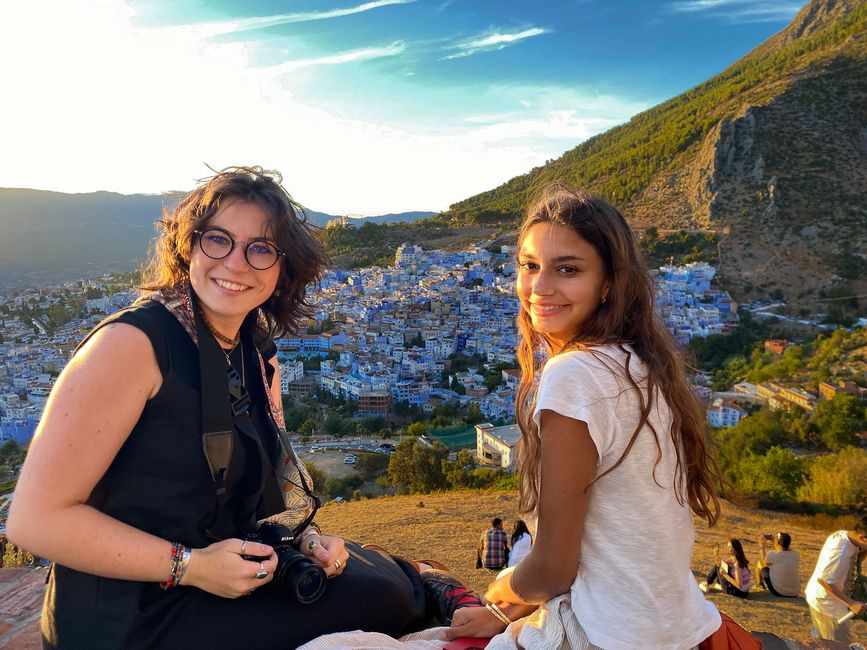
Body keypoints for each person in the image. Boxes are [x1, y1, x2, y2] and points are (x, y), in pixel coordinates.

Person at [5, 167, 457, 649]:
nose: (237, 263)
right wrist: (190, 567)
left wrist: (305, 541)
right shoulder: (131, 346)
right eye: (217, 240)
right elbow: (34, 520)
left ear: (283, 269)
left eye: (260, 248)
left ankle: (417, 580)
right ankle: (423, 582)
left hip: (225, 572)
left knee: (378, 591)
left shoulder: (256, 353)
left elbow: (256, 492)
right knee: (378, 600)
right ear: (188, 248)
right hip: (129, 615)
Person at [445, 183, 731, 649]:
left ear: (609, 283)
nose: (539, 287)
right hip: (670, 623)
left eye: (567, 269)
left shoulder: (575, 374)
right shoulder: (639, 363)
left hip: (605, 632)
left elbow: (555, 567)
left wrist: (501, 596)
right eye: (530, 265)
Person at [804, 516, 867, 643]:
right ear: (862, 537)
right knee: (837, 644)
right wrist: (851, 603)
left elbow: (854, 561)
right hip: (826, 605)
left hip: (828, 601)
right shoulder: (840, 553)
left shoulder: (845, 535)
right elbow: (824, 581)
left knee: (822, 639)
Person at [756, 532, 799, 597]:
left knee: (760, 563)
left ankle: (759, 585)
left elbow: (763, 562)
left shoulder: (773, 555)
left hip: (779, 591)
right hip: (794, 593)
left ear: (777, 543)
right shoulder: (796, 554)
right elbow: (783, 551)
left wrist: (762, 547)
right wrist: (776, 542)